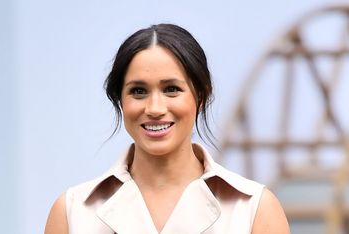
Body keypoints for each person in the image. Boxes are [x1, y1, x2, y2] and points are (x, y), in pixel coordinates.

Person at [44, 23, 290, 234]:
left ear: (201, 97)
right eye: (138, 91)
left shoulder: (254, 208)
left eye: (171, 89)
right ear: (120, 100)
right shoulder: (72, 212)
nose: (154, 108)